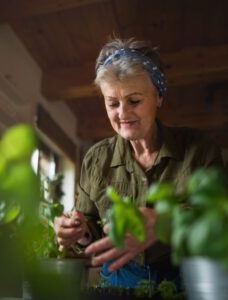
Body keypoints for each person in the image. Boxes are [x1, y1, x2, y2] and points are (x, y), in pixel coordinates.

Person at [54, 38, 223, 289]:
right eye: (112, 103)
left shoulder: (200, 150)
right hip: (117, 279)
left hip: (184, 278)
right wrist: (79, 231)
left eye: (134, 101)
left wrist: (167, 222)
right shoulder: (95, 159)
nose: (122, 114)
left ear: (159, 97)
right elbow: (90, 224)